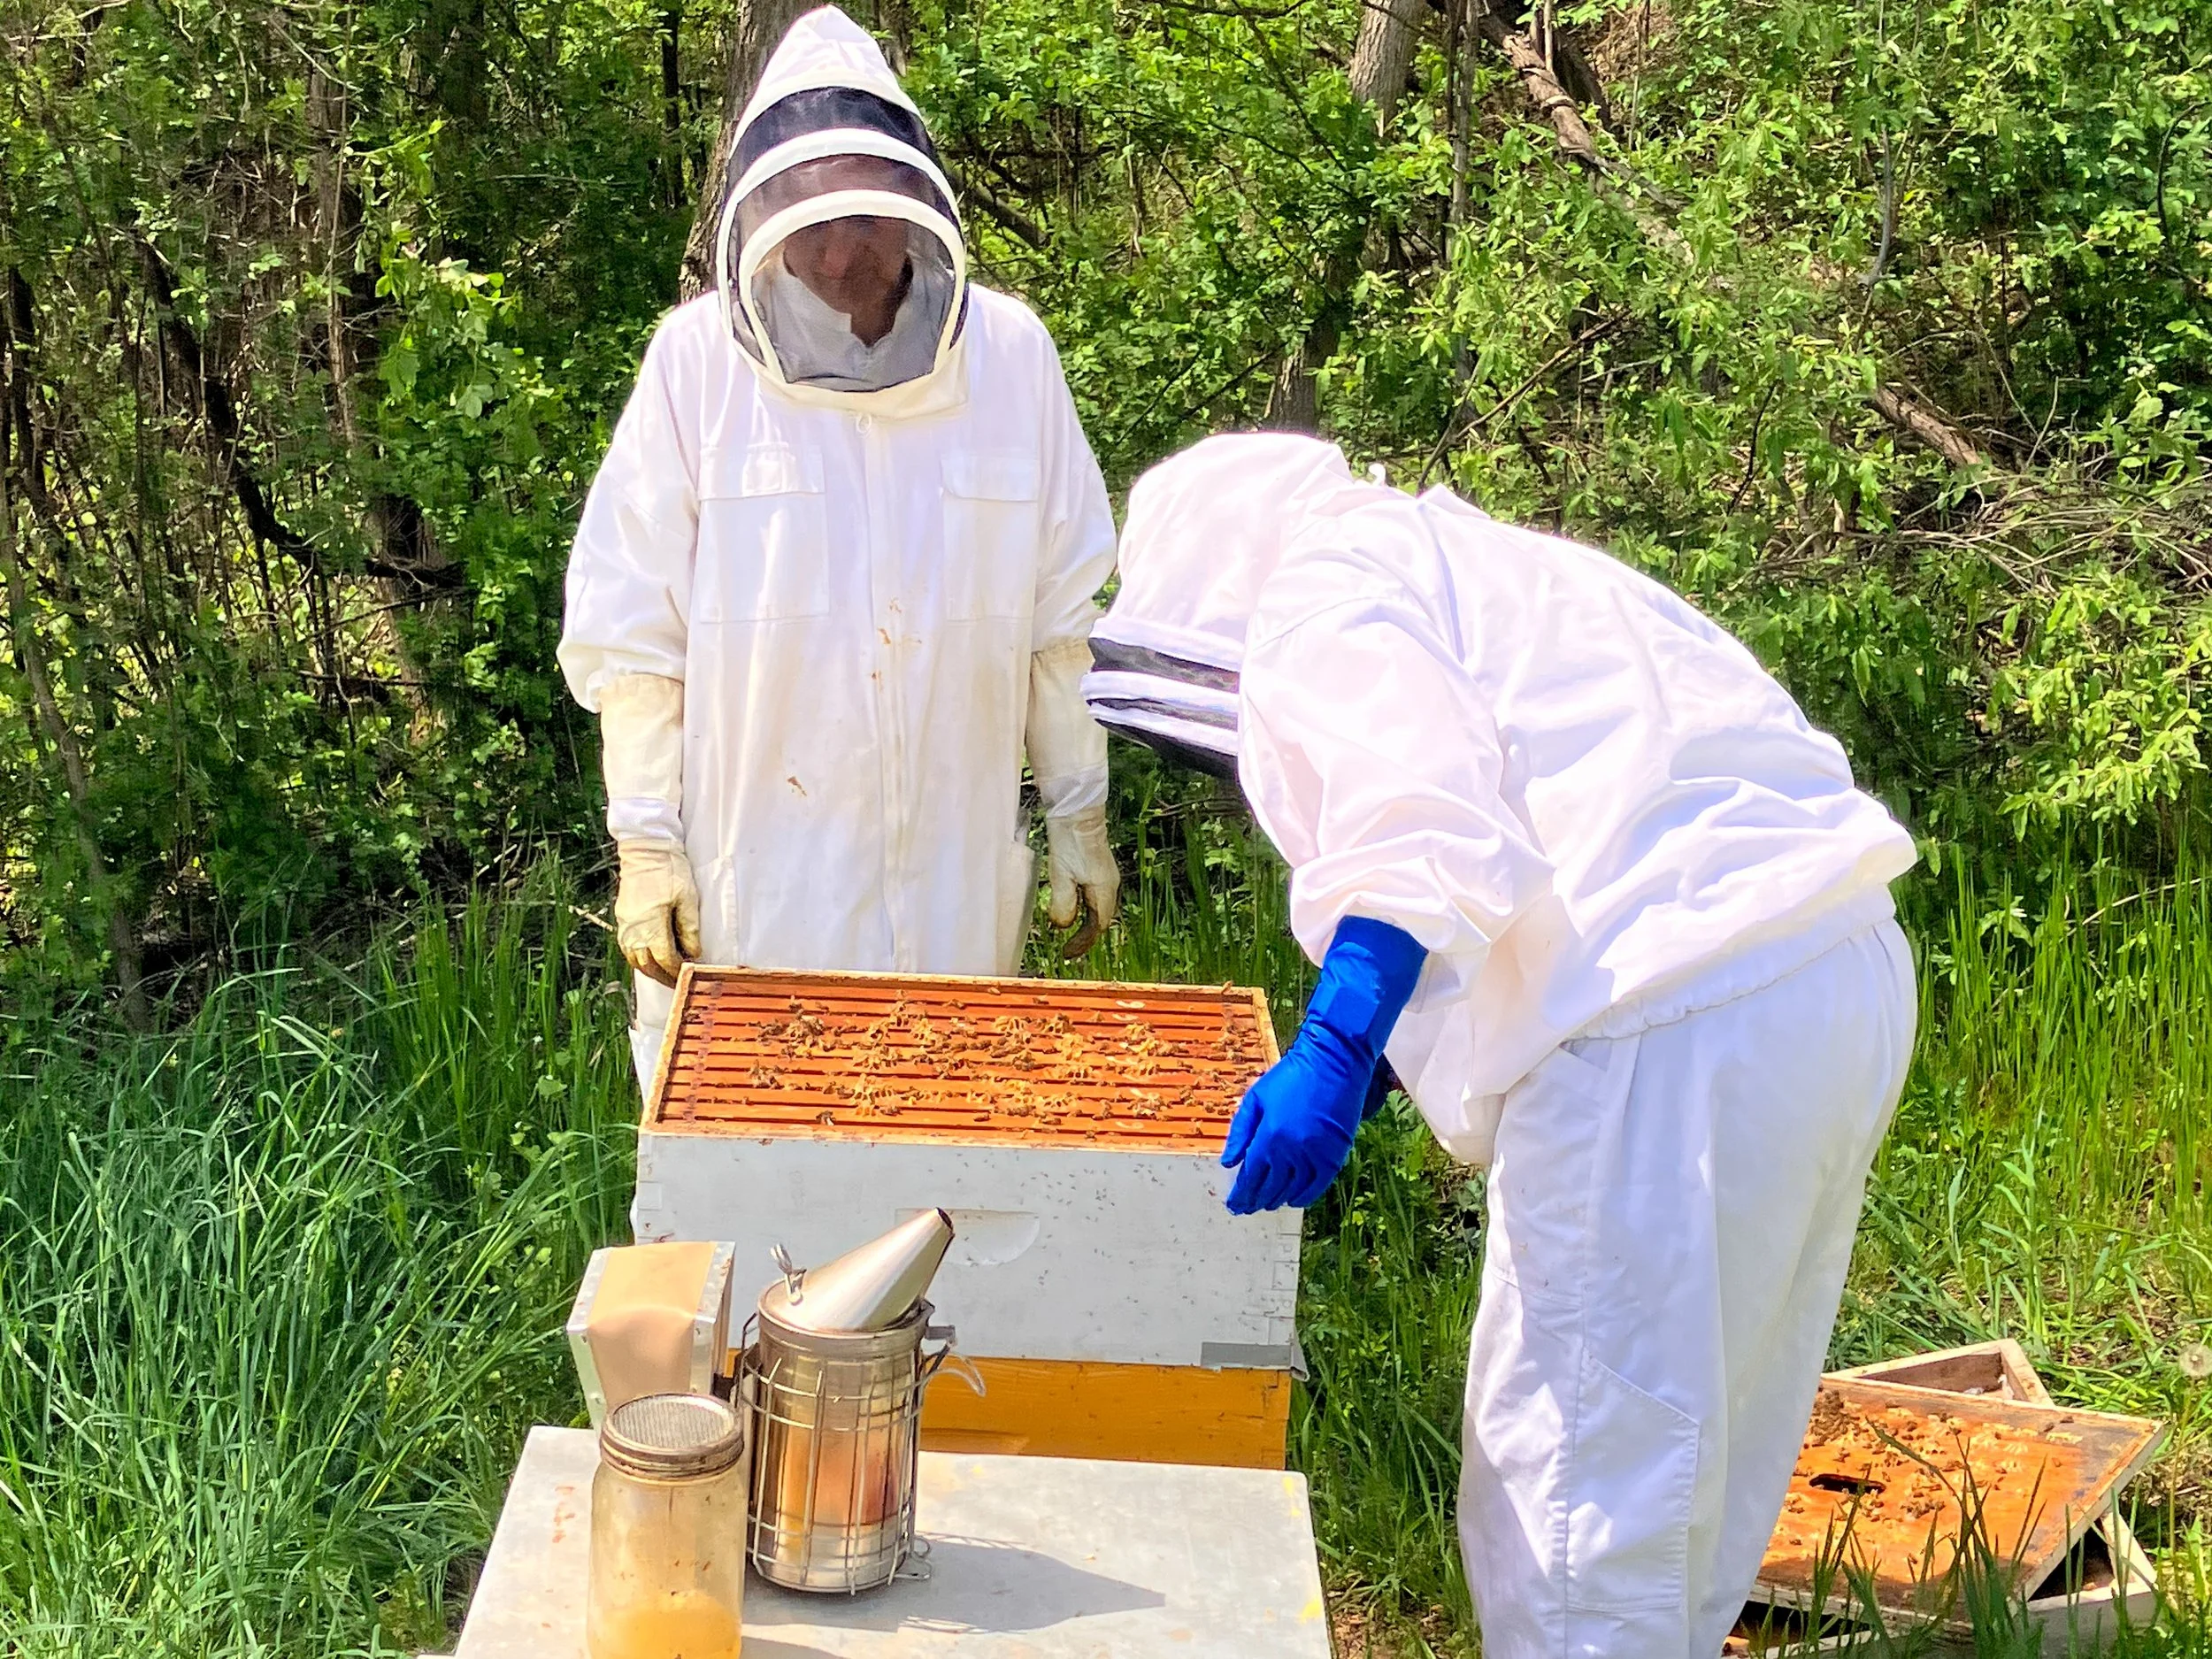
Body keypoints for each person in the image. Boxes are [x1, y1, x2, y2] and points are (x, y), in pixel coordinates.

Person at [1082, 433, 1918, 1657]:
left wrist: (1332, 1043)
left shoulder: (1321, 589)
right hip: (1832, 973)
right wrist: (1375, 1058)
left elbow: (1419, 822)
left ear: (1214, 585)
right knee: (1697, 1462)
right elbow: (1535, 817)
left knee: (1576, 1504)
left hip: (1665, 1026)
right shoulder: (1496, 568)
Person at [559, 6, 1119, 1094]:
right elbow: (633, 641)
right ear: (758, 219)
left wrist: (1079, 815)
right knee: (753, 1210)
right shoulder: (695, 369)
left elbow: (1063, 625)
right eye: (802, 220)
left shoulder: (1010, 359)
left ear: (912, 205)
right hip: (758, 886)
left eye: (860, 216)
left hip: (953, 887)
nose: (835, 250)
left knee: (944, 1198)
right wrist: (646, 845)